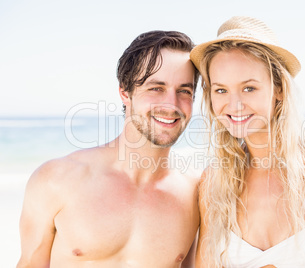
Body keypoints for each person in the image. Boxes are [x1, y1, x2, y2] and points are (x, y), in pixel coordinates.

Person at [190, 16, 305, 267]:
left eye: (249, 88)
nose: (234, 105)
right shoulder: (214, 183)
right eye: (221, 90)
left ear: (279, 88)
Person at [17, 30, 200, 267]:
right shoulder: (57, 179)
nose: (172, 104)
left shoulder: (196, 195)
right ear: (125, 92)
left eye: (184, 91)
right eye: (156, 88)